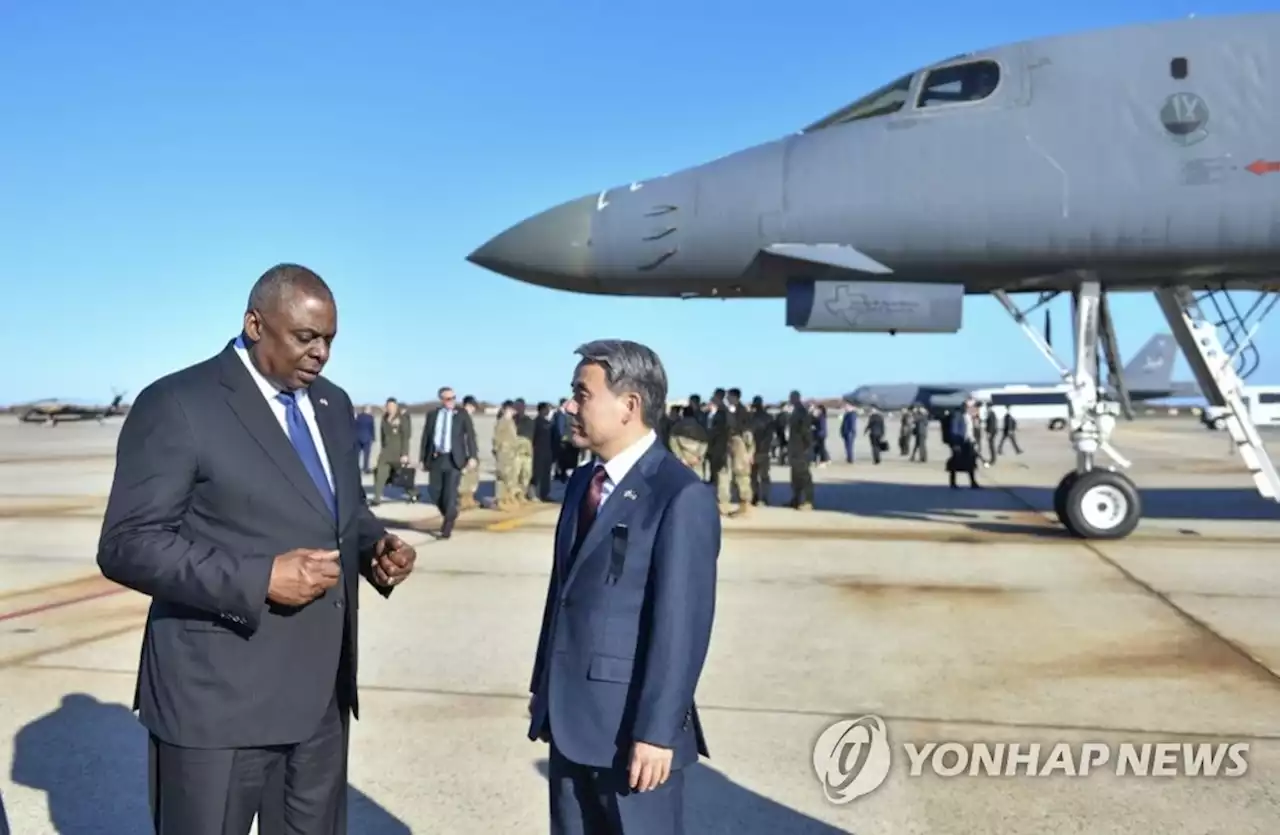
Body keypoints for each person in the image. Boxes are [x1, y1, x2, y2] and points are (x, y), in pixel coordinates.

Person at [96, 264, 417, 835]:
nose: (321, 353)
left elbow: (339, 512)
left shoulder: (332, 406)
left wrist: (374, 548)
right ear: (254, 324)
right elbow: (127, 544)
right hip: (217, 701)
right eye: (305, 337)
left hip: (320, 700)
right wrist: (258, 577)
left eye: (329, 340)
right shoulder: (179, 402)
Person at [528, 339, 720, 835]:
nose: (570, 405)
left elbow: (681, 626)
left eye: (582, 393)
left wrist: (657, 733)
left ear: (629, 405)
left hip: (633, 739)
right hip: (569, 722)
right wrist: (543, 690)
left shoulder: (679, 496)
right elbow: (563, 595)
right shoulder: (580, 483)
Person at [419, 385, 478, 539]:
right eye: (448, 398)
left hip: (454, 459)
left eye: (453, 398)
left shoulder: (462, 414)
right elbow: (426, 438)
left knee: (450, 495)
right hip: (437, 458)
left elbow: (470, 436)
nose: (451, 401)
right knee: (434, 492)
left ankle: (447, 528)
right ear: (441, 399)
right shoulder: (432, 415)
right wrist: (423, 459)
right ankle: (451, 513)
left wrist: (473, 456)